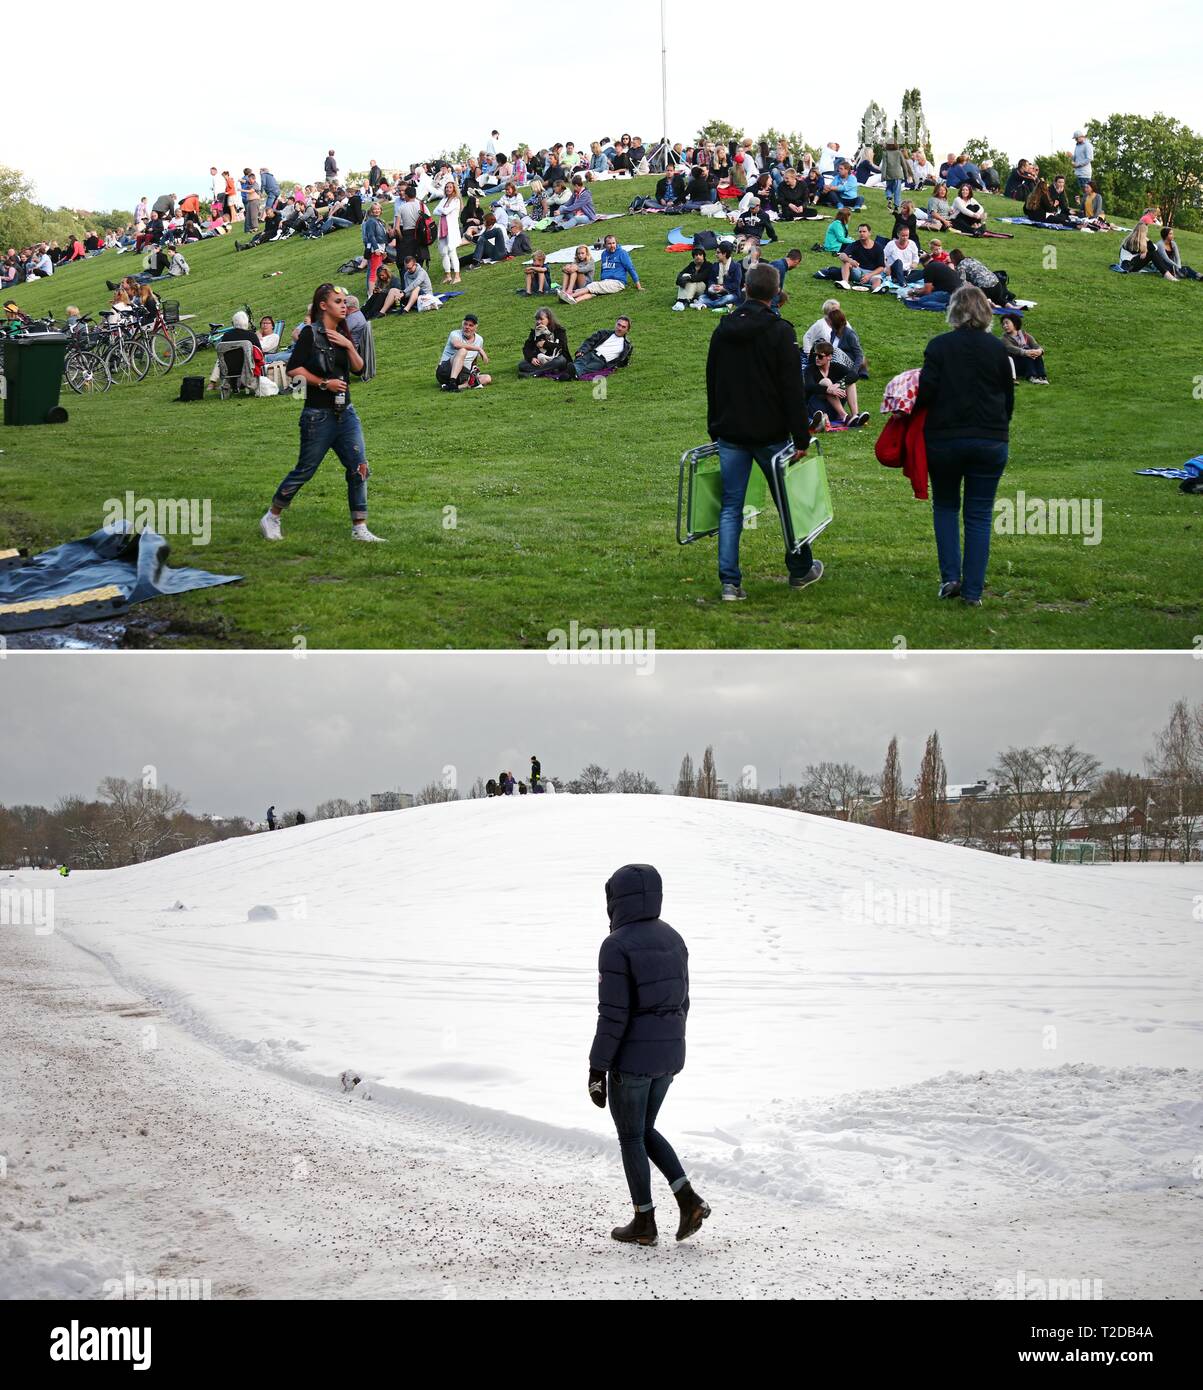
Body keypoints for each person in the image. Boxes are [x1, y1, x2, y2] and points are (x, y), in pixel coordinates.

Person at [588, 863, 710, 1247]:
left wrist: (597, 1067)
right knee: (643, 1131)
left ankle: (644, 1222)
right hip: (668, 1057)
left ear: (616, 900)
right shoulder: (674, 938)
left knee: (631, 1137)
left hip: (632, 1062)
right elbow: (684, 1001)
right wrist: (672, 1045)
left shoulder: (616, 945)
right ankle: (687, 1198)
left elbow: (613, 1015)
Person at [704, 262, 825, 602]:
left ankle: (730, 582)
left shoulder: (722, 329)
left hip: (730, 429)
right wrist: (801, 436)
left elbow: (712, 380)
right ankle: (800, 568)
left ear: (744, 288)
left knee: (731, 506)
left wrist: (715, 424)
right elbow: (791, 388)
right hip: (769, 432)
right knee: (788, 502)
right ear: (775, 293)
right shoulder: (780, 331)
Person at [260, 283, 385, 543]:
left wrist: (349, 346)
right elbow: (294, 369)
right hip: (318, 415)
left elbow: (359, 370)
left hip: (346, 413)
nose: (344, 305)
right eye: (338, 301)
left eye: (344, 301)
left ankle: (359, 527)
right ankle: (272, 516)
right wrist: (324, 383)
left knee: (359, 467)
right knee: (305, 469)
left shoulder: (343, 332)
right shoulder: (310, 334)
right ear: (323, 306)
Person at [915, 284, 1014, 606]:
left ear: (954, 311)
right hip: (989, 437)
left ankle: (950, 578)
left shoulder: (939, 347)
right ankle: (973, 591)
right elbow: (1008, 399)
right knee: (979, 514)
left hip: (945, 439)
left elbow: (926, 393)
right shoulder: (998, 349)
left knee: (945, 506)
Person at [803, 341, 869, 428]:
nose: (817, 358)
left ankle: (855, 416)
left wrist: (838, 384)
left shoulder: (836, 367)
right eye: (815, 355)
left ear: (829, 357)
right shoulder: (810, 369)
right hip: (817, 407)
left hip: (833, 408)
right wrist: (827, 389)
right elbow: (809, 386)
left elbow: (854, 375)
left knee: (850, 383)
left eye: (820, 356)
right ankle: (844, 416)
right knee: (826, 381)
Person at [561, 233, 642, 301]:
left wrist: (638, 286)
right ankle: (576, 300)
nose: (612, 245)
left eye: (613, 243)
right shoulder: (604, 254)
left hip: (617, 282)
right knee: (593, 291)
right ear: (605, 245)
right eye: (609, 244)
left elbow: (630, 268)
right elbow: (603, 269)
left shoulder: (622, 253)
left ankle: (570, 296)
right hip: (605, 281)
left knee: (593, 286)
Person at [436, 313, 492, 390]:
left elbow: (474, 360)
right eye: (465, 324)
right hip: (445, 371)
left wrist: (474, 369)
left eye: (470, 325)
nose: (467, 327)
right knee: (463, 351)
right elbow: (456, 344)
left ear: (476, 328)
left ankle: (454, 387)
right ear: (462, 325)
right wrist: (479, 349)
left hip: (463, 374)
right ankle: (452, 382)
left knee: (487, 378)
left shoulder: (479, 339)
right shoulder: (455, 333)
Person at [950, 248, 1014, 305]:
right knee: (998, 300)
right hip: (997, 284)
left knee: (971, 299)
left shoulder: (960, 267)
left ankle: (988, 301)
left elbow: (962, 283)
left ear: (954, 259)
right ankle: (1010, 307)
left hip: (987, 289)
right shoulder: (971, 259)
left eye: (951, 260)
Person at [518, 308, 571, 375]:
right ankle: (549, 370)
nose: (538, 322)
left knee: (561, 361)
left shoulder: (559, 330)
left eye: (541, 319)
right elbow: (527, 348)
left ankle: (535, 373)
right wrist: (532, 358)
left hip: (556, 358)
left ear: (549, 319)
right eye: (537, 319)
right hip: (541, 359)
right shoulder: (535, 332)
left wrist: (545, 344)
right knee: (522, 364)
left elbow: (561, 347)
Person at [999, 313, 1049, 382]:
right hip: (1016, 365)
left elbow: (1036, 346)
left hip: (1028, 362)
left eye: (1007, 323)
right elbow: (1011, 348)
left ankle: (1042, 376)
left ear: (1015, 323)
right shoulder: (1004, 339)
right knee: (1027, 350)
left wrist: (1040, 351)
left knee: (1036, 353)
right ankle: (1032, 376)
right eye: (1003, 324)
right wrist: (1026, 352)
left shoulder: (1025, 335)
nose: (1005, 326)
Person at [838, 223, 888, 291]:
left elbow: (881, 267)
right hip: (858, 271)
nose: (861, 233)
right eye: (860, 232)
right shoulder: (855, 244)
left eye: (864, 231)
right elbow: (842, 255)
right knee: (846, 262)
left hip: (872, 273)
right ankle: (845, 283)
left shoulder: (878, 247)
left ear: (869, 233)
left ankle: (877, 290)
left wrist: (869, 275)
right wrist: (850, 261)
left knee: (877, 281)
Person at [433, 181, 463, 284]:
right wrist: (443, 209)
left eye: (450, 187)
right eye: (446, 187)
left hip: (451, 229)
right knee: (443, 252)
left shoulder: (456, 200)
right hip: (442, 228)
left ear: (454, 189)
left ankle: (457, 276)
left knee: (452, 252)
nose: (448, 189)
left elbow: (444, 211)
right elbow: (434, 211)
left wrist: (442, 210)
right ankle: (448, 275)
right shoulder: (444, 199)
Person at [701, 242, 744, 309]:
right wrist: (712, 286)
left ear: (724, 254)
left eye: (718, 253)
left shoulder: (736, 266)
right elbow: (710, 280)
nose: (716, 254)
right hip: (715, 294)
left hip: (730, 294)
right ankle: (724, 304)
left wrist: (723, 288)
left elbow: (736, 284)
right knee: (701, 297)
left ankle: (705, 305)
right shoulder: (715, 265)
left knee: (727, 298)